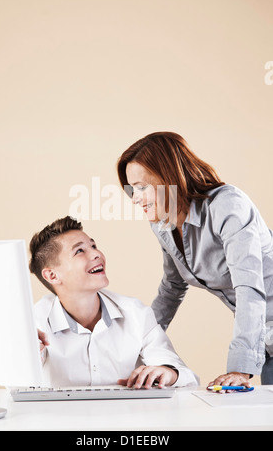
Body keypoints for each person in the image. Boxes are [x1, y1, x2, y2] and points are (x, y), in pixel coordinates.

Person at [117, 131, 273, 387]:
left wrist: (240, 368)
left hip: (259, 334)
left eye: (141, 187)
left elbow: (249, 287)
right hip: (265, 339)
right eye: (131, 189)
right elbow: (171, 288)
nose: (135, 198)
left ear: (170, 178)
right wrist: (134, 348)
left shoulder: (227, 206)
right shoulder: (163, 223)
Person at [29, 216, 198, 389]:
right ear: (52, 275)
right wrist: (26, 354)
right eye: (79, 251)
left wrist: (168, 373)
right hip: (60, 416)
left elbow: (186, 377)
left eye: (93, 246)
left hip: (128, 415)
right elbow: (15, 387)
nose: (96, 254)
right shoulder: (34, 323)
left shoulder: (135, 313)